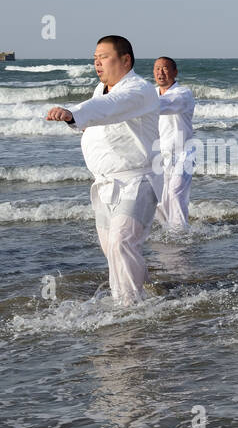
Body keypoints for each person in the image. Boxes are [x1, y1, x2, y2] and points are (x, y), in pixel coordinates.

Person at [45, 35, 161, 306]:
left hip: (137, 180)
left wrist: (73, 113)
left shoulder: (139, 90)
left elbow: (109, 108)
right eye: (95, 58)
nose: (97, 63)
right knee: (113, 249)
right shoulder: (101, 90)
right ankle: (149, 291)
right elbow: (102, 112)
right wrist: (81, 121)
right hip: (105, 184)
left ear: (125, 60)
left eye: (104, 57)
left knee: (122, 243)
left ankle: (130, 307)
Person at [153, 56, 197, 232]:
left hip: (184, 152)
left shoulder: (183, 93)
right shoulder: (151, 94)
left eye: (164, 68)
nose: (160, 72)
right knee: (160, 199)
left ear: (175, 72)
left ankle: (180, 233)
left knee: (175, 192)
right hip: (159, 153)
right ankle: (168, 230)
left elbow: (166, 104)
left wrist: (138, 104)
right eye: (157, 69)